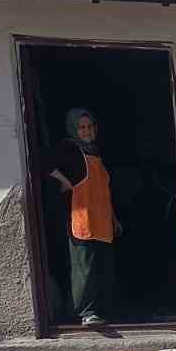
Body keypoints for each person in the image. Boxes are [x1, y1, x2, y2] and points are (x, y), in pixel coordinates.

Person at [48, 108, 118, 325]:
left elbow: (104, 191)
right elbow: (45, 164)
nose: (87, 131)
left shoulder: (95, 152)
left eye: (90, 126)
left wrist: (114, 218)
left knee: (102, 268)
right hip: (82, 218)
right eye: (82, 127)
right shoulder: (69, 148)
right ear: (74, 129)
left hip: (102, 219)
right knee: (84, 269)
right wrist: (64, 182)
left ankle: (102, 310)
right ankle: (86, 313)